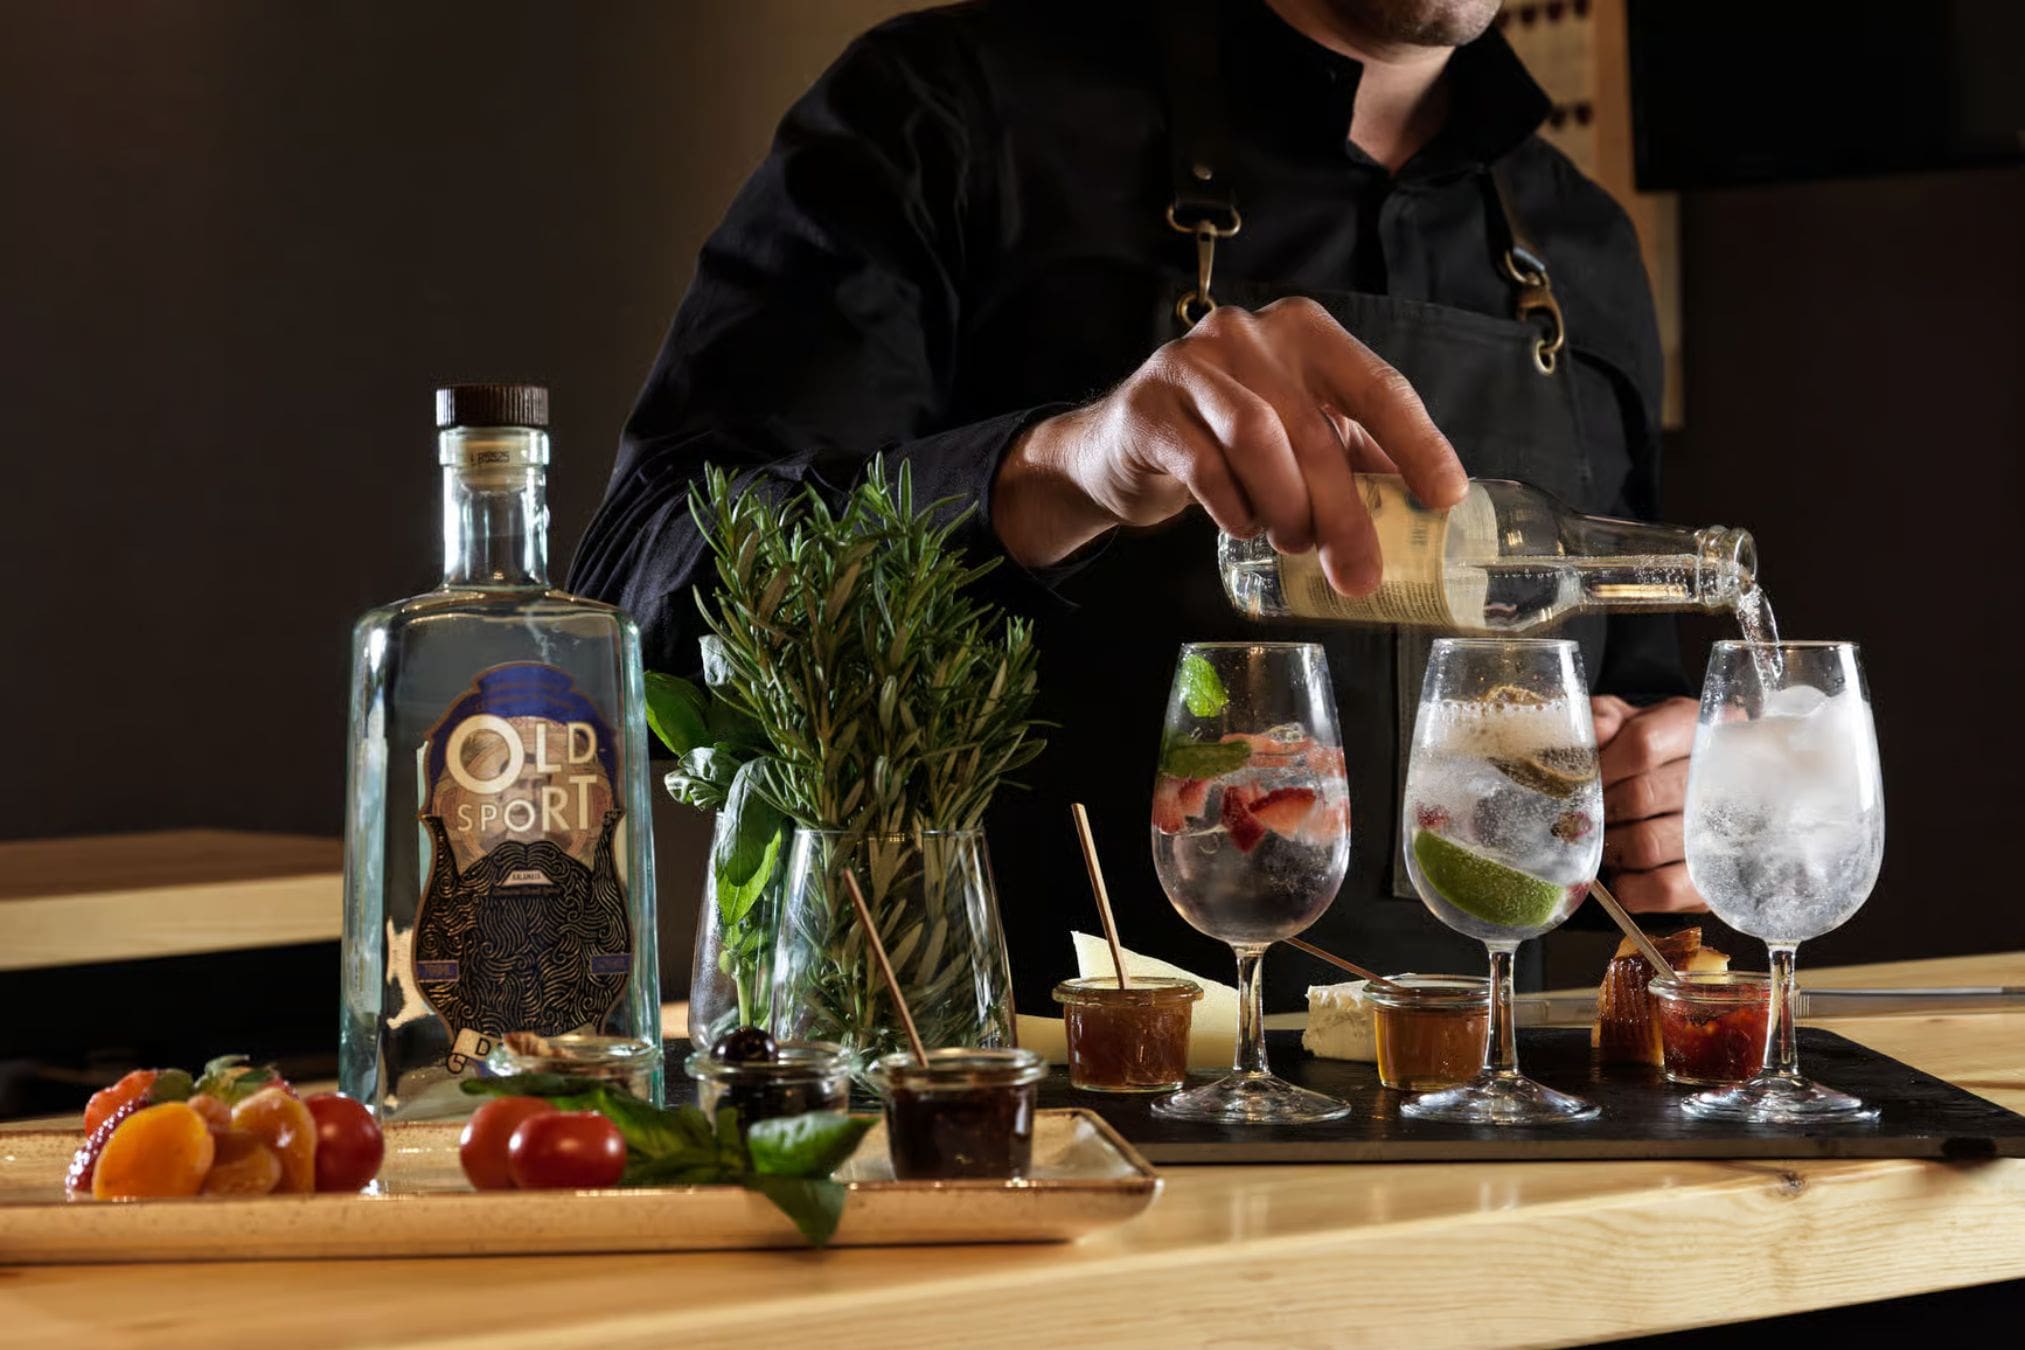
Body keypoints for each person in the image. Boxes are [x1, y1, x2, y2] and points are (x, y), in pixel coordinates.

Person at [571, 0, 1704, 1008]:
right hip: (1013, 1115)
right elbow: (636, 602)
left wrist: (1667, 798)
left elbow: (1631, 700)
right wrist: (1057, 470)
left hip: (1488, 1149)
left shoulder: (1584, 246)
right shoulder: (949, 115)